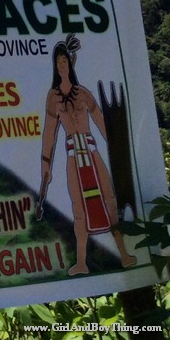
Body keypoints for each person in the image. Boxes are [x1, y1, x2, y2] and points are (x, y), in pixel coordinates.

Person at [39, 34, 136, 275]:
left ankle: (124, 254)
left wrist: (115, 146)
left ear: (71, 63)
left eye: (65, 60)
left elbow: (100, 121)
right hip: (73, 155)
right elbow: (49, 134)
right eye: (59, 61)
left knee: (109, 199)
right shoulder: (53, 98)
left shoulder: (83, 93)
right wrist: (45, 163)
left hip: (91, 152)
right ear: (55, 65)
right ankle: (81, 262)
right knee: (78, 207)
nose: (62, 64)